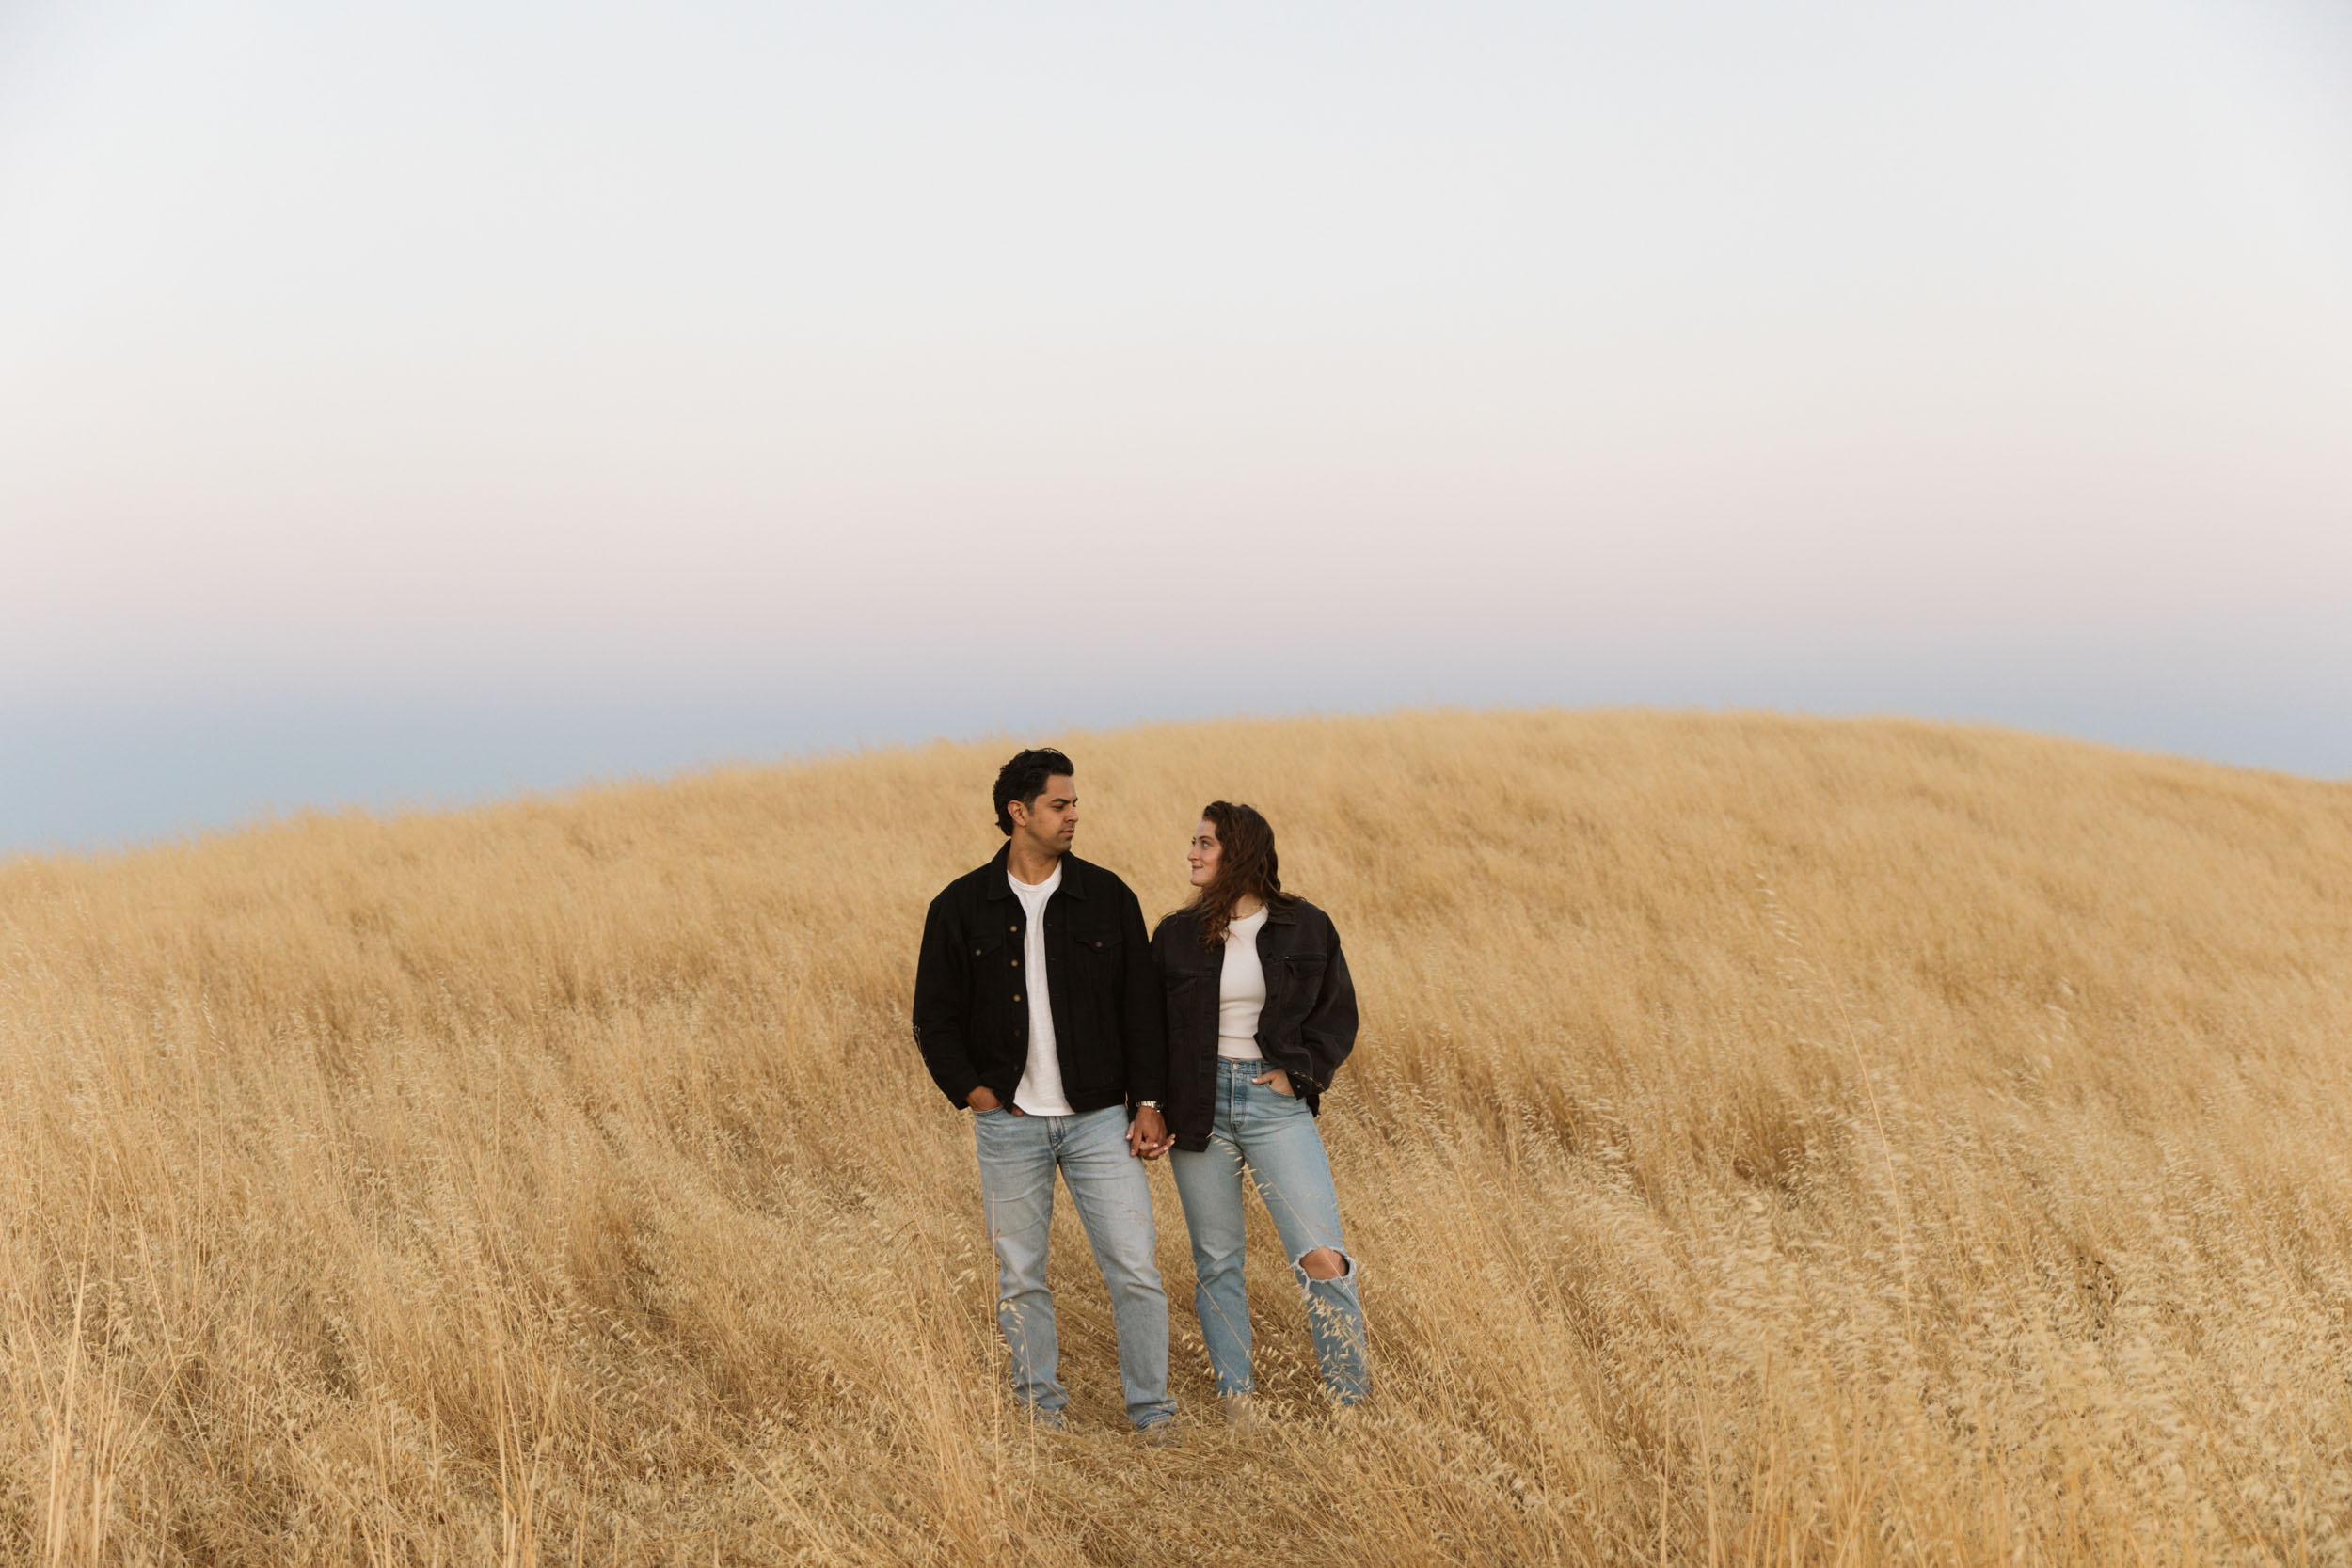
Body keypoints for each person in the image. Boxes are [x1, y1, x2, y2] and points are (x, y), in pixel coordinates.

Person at [911, 748, 1178, 1436]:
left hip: (1099, 1120)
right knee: (1021, 1275)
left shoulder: (1108, 895)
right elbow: (932, 1017)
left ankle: (1152, 1412)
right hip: (1010, 1122)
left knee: (1136, 1268)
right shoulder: (960, 905)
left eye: (1075, 802)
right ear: (1018, 812)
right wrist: (975, 1092)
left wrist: (1148, 1100)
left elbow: (1141, 1008)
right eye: (1060, 804)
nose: (1073, 815)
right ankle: (1040, 1412)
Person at [1151, 800, 1367, 1424]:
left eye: (1205, 843)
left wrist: (1300, 1073)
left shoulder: (1306, 926)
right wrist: (1152, 1104)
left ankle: (1348, 1399)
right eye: (1193, 841)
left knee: (1319, 1253)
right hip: (1198, 1106)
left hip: (1275, 1104)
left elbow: (1337, 1013)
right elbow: (1150, 1026)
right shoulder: (1175, 934)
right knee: (1217, 1260)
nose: (1191, 852)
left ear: (1238, 851)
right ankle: (1237, 1398)